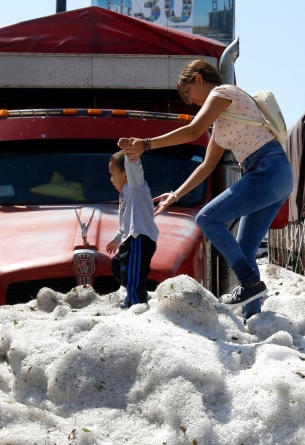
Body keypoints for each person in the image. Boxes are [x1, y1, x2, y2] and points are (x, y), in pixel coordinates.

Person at [117, 59, 293, 322]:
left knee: (207, 218)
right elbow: (207, 166)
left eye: (189, 93)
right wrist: (175, 194)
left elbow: (193, 131)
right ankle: (253, 320)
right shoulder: (221, 124)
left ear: (199, 79)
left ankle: (252, 284)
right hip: (273, 174)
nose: (191, 102)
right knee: (245, 251)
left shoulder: (223, 92)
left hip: (267, 168)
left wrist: (146, 144)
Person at [105, 151, 159, 309]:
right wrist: (116, 239)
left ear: (126, 174)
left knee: (132, 274)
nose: (111, 179)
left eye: (112, 174)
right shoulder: (125, 193)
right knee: (117, 265)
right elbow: (125, 223)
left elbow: (134, 167)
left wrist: (130, 153)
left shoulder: (135, 186)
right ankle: (138, 293)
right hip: (129, 238)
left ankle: (135, 304)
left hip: (140, 238)